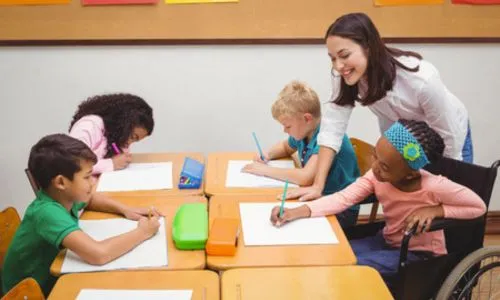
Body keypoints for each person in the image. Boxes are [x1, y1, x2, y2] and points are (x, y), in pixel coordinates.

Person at [270, 120, 485, 292]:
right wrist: (297, 212)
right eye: (375, 157)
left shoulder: (434, 186)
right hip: (386, 240)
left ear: (410, 172)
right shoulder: (375, 176)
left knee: (351, 267)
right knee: (334, 255)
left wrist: (436, 210)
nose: (375, 168)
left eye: (384, 166)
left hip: (418, 254)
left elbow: (478, 207)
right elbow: (343, 198)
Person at [287, 12, 472, 202]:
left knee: (447, 205)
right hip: (403, 139)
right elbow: (332, 129)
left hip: (447, 137)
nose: (338, 66)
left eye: (344, 55)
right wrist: (318, 186)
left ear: (368, 47)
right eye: (332, 58)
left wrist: (447, 187)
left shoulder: (422, 80)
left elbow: (449, 138)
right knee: (410, 202)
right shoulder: (345, 77)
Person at [2, 134, 161, 296]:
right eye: (86, 177)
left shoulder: (62, 196)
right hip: (28, 294)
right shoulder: (46, 213)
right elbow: (98, 254)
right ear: (61, 182)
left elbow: (90, 199)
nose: (92, 182)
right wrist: (143, 232)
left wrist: (125, 209)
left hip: (51, 279)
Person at [243, 81, 360, 228]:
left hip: (342, 209)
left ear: (307, 118)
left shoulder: (326, 137)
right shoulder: (305, 132)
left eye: (288, 126)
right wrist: (268, 154)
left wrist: (265, 171)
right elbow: (286, 147)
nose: (285, 131)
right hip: (318, 198)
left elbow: (305, 177)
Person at [69, 93, 154, 174]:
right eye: (132, 137)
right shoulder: (89, 126)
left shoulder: (113, 135)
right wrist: (112, 164)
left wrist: (121, 157)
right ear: (123, 123)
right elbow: (73, 164)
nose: (129, 144)